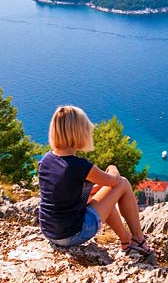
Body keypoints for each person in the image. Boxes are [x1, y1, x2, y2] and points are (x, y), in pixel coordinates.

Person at [38, 105, 152, 254]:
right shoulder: (80, 166)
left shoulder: (46, 160)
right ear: (78, 133)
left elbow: (64, 194)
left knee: (99, 193)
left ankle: (126, 239)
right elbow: (115, 181)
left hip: (49, 231)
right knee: (123, 183)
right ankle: (138, 237)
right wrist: (112, 167)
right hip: (72, 235)